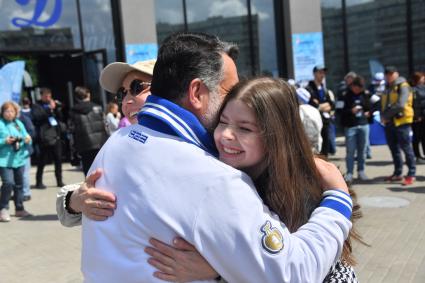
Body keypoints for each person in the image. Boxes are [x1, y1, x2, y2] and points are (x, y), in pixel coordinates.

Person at [79, 32, 352, 283]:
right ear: (197, 93)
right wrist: (339, 197)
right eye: (229, 91)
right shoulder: (213, 179)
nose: (236, 100)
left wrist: (222, 269)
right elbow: (293, 273)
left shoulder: (117, 143)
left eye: (245, 126)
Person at [143, 77, 362, 282]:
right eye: (223, 121)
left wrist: (219, 270)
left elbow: (291, 271)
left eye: (245, 128)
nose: (226, 134)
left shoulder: (302, 193)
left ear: (276, 137)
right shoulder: (216, 171)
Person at [56, 59, 154, 225]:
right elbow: (67, 210)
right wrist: (76, 201)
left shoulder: (204, 143)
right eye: (122, 94)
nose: (126, 101)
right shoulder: (120, 143)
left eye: (137, 88)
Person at [381, 66, 416, 186]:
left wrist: (385, 116)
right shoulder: (387, 88)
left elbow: (401, 104)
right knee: (394, 149)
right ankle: (398, 173)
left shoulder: (403, 85)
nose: (389, 76)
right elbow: (383, 104)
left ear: (397, 73)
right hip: (390, 123)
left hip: (402, 122)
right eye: (387, 74)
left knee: (407, 149)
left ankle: (411, 174)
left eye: (391, 73)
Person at [0, 101, 32, 222]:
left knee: (19, 185)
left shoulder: (18, 123)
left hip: (19, 159)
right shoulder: (0, 124)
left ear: (15, 113)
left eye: (12, 111)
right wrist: (4, 141)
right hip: (4, 161)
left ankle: (19, 208)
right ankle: (3, 208)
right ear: (2, 113)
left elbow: (26, 136)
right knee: (8, 183)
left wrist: (27, 139)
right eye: (6, 111)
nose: (9, 113)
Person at [69, 86, 108, 175]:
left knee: (88, 170)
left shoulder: (73, 111)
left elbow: (72, 129)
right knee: (102, 169)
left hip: (84, 144)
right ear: (88, 94)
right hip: (100, 142)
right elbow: (105, 125)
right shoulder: (98, 107)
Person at [31, 87, 65, 188]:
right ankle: (39, 182)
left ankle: (59, 180)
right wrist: (49, 109)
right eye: (46, 96)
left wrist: (57, 109)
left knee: (58, 159)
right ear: (41, 96)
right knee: (42, 161)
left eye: (49, 96)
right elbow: (38, 117)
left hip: (56, 136)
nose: (48, 98)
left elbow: (60, 118)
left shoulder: (53, 105)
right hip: (44, 137)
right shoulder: (36, 106)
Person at [341, 76, 371, 183]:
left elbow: (372, 106)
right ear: (353, 86)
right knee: (350, 151)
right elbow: (339, 111)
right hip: (350, 126)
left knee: (362, 150)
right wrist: (351, 111)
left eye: (361, 88)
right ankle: (349, 172)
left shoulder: (365, 94)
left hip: (364, 125)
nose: (359, 90)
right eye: (358, 87)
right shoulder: (345, 95)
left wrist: (369, 113)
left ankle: (361, 171)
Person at [306, 64, 334, 157]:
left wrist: (321, 106)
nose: (322, 75)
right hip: (313, 123)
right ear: (314, 74)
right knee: (315, 148)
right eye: (320, 73)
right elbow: (312, 105)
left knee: (325, 147)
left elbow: (331, 105)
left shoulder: (324, 88)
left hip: (325, 122)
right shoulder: (309, 88)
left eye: (323, 73)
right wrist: (323, 106)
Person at [19, 97, 35, 201]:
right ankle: (19, 192)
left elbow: (31, 132)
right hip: (9, 153)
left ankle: (26, 192)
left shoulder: (22, 118)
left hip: (23, 151)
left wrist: (26, 139)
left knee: (24, 173)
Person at [410, 71, 425, 164]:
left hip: (424, 115)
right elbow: (414, 104)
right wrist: (417, 115)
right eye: (423, 77)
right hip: (417, 116)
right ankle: (417, 156)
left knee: (424, 136)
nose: (424, 79)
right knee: (417, 137)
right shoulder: (413, 90)